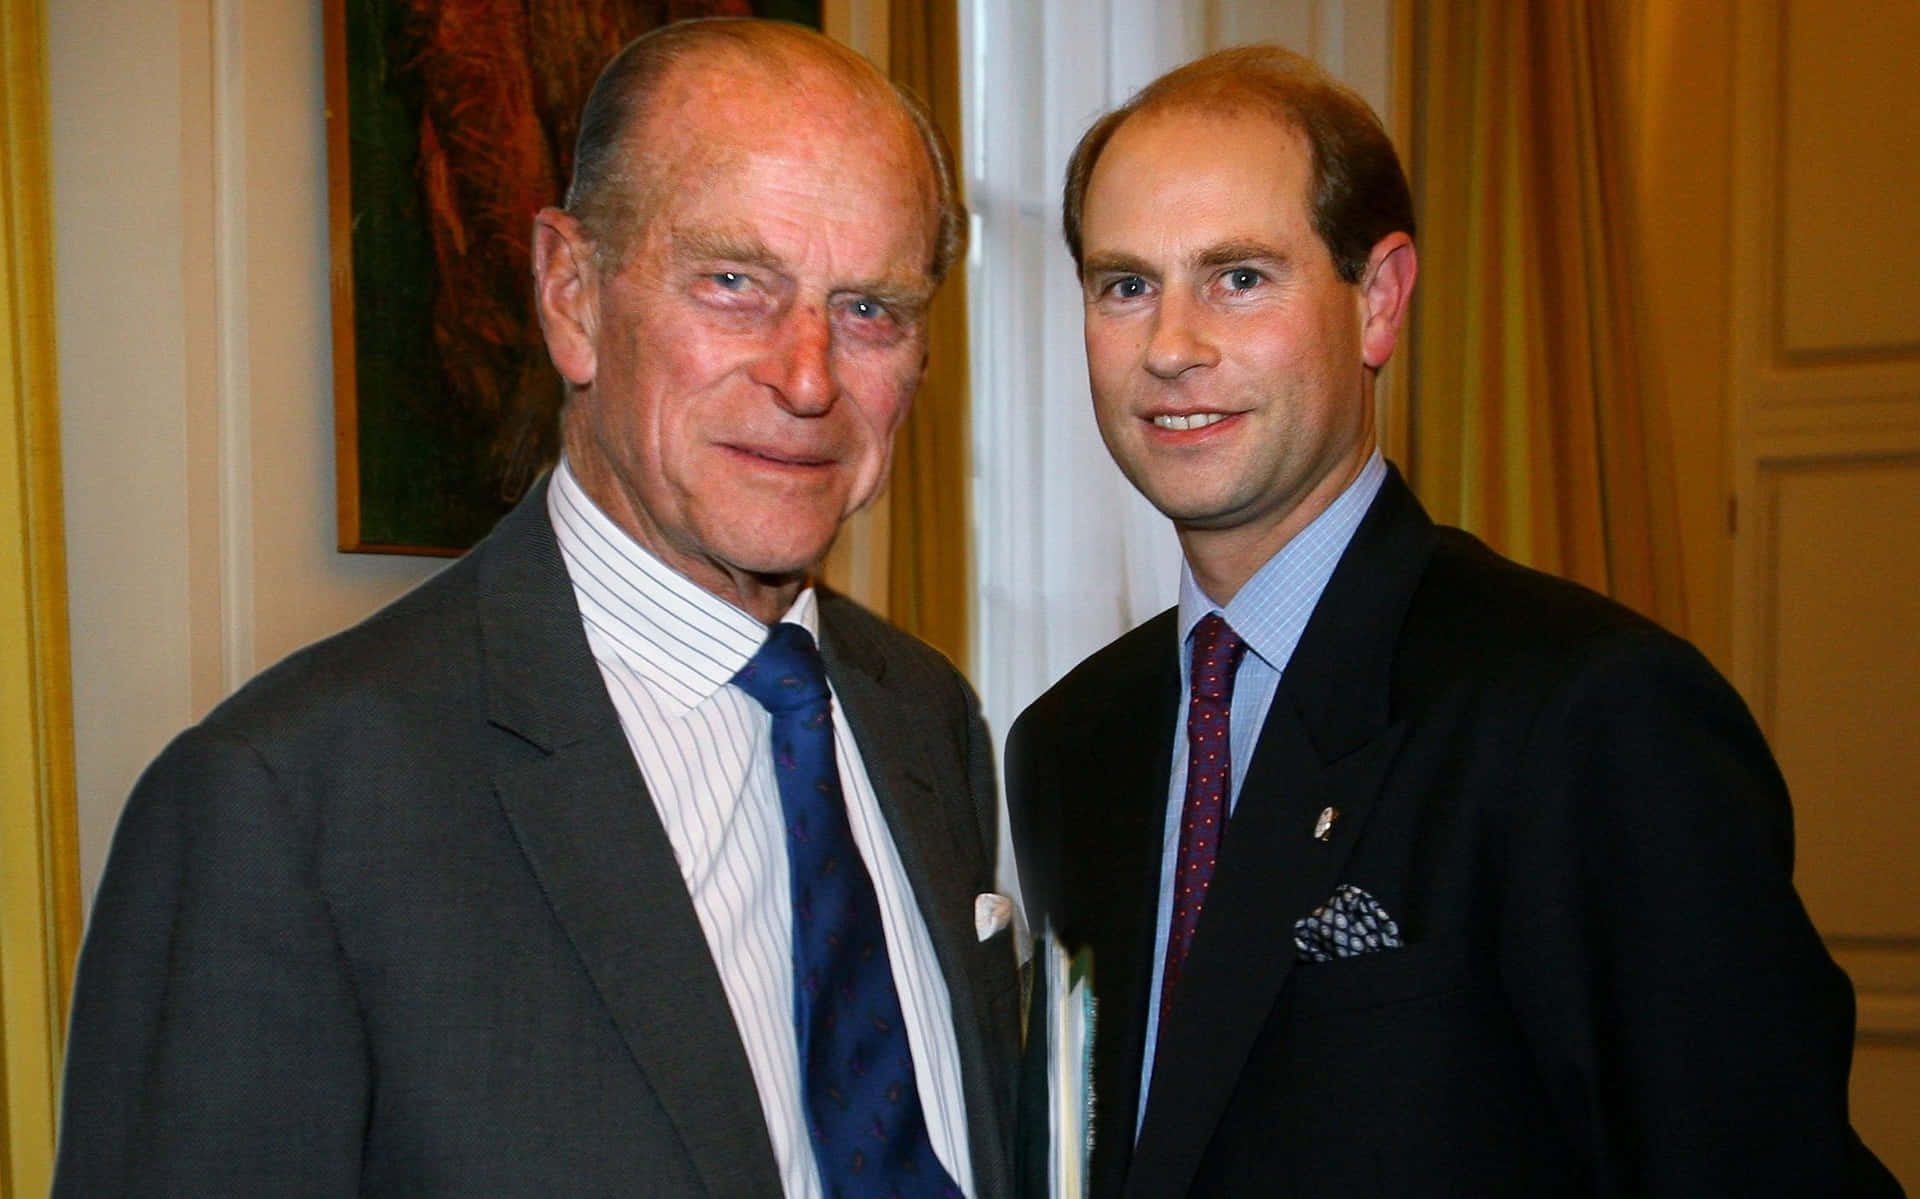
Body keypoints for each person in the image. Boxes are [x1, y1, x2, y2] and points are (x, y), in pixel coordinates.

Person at [55, 19, 1017, 1198]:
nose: (809, 376)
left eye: (870, 309)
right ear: (571, 296)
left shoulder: (926, 719)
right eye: (733, 282)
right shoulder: (286, 803)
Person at [1007, 44, 1900, 1197]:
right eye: (1126, 285)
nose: (1172, 345)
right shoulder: (1070, 745)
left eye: (1239, 277)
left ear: (1377, 300)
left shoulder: (1589, 713)